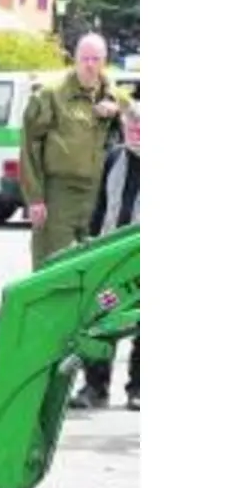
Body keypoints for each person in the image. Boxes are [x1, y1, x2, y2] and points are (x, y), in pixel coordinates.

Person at [20, 33, 128, 269]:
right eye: (84, 58)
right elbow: (29, 147)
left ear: (104, 61)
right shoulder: (51, 95)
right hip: (59, 193)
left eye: (96, 59)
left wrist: (117, 111)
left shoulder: (112, 94)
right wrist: (35, 198)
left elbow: (136, 122)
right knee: (53, 265)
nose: (90, 65)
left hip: (97, 194)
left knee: (91, 270)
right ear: (75, 59)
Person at [71, 102, 140, 411]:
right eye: (131, 126)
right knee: (100, 319)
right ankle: (95, 388)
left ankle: (138, 389)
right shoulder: (113, 158)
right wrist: (90, 244)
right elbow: (99, 206)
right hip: (110, 255)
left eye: (142, 127)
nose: (136, 132)